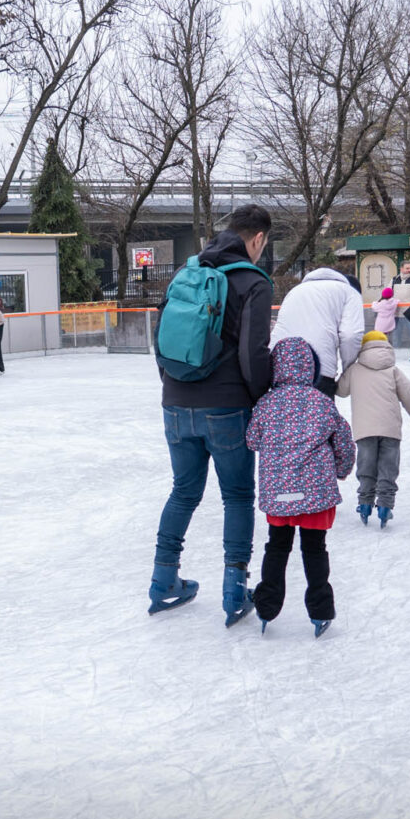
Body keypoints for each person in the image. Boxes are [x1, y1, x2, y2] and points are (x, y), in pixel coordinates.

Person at [148, 204, 274, 625]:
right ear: (257, 239)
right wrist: (259, 401)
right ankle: (234, 590)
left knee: (183, 491)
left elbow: (160, 338)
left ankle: (163, 581)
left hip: (175, 402)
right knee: (237, 496)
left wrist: (173, 385)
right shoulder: (253, 282)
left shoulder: (187, 271)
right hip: (226, 407)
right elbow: (253, 356)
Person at [244, 337, 355, 637]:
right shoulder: (321, 402)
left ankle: (267, 607)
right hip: (316, 494)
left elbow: (252, 440)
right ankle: (320, 611)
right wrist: (342, 469)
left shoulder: (266, 404)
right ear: (311, 368)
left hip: (278, 493)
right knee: (314, 550)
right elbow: (343, 440)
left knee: (277, 548)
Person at [337, 330, 410, 526]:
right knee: (388, 468)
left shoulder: (355, 369)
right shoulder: (393, 370)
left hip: (364, 429)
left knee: (366, 466)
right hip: (390, 429)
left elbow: (341, 391)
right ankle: (386, 506)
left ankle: (364, 503)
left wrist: (345, 371)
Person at [269, 265, 365, 395]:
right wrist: (347, 369)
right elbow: (351, 335)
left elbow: (281, 328)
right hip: (320, 369)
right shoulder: (350, 292)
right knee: (319, 413)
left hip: (283, 367)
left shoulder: (295, 291)